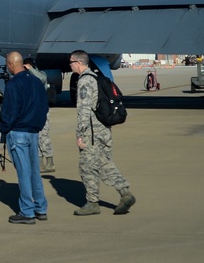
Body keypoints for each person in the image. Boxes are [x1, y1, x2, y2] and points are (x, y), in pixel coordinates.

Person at [69, 50, 136, 216]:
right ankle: (124, 192)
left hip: (91, 133)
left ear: (78, 62)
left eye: (71, 62)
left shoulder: (84, 81)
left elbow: (84, 110)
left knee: (87, 167)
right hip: (103, 130)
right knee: (104, 163)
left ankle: (93, 203)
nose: (69, 65)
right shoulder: (96, 77)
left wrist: (79, 134)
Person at [0, 51, 49, 224]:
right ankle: (41, 207)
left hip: (18, 132)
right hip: (33, 132)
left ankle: (27, 211)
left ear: (11, 64)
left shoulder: (13, 84)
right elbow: (44, 107)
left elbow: (10, 111)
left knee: (24, 172)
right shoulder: (36, 82)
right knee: (34, 171)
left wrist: (4, 128)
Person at [22, 56, 55, 173]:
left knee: (43, 136)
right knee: (35, 136)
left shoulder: (40, 75)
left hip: (42, 110)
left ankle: (50, 162)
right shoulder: (27, 78)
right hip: (31, 112)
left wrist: (30, 69)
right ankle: (39, 163)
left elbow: (42, 78)